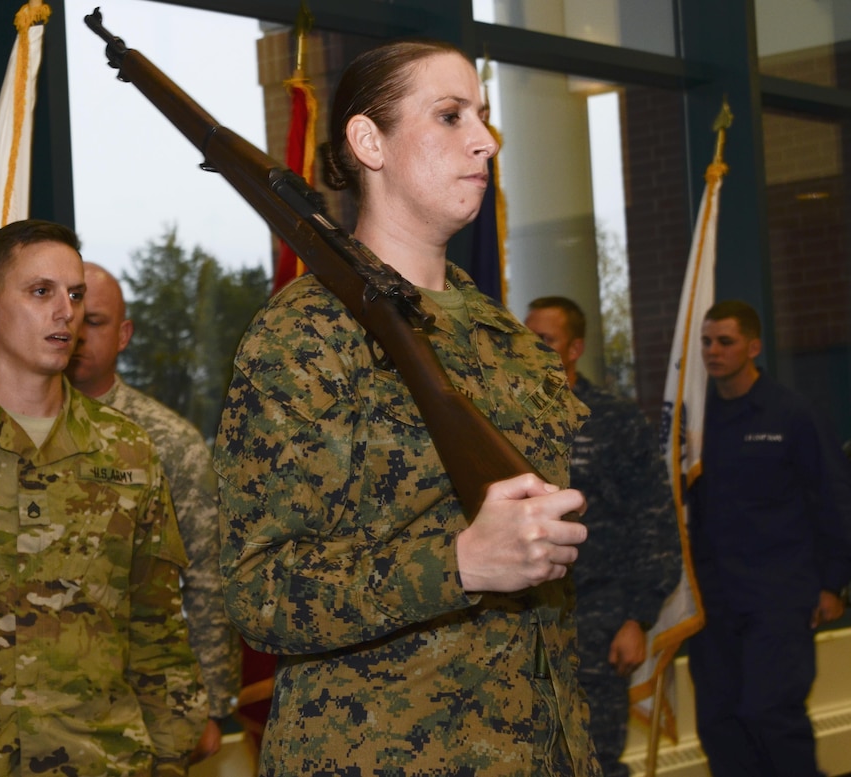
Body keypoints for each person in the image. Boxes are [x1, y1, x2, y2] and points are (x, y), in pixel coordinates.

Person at [215, 40, 599, 776]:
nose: (486, 140)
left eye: (483, 117)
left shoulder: (505, 337)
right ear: (369, 142)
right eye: (450, 115)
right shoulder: (306, 335)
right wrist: (459, 562)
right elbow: (261, 592)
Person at [0, 219, 207, 776]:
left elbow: (157, 628)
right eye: (42, 292)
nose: (67, 311)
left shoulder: (127, 449)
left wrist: (172, 757)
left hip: (103, 759)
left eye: (76, 294)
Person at [65, 260, 242, 764]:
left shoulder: (167, 441)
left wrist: (210, 706)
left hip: (143, 707)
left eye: (94, 321)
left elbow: (207, 577)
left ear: (123, 335)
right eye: (72, 315)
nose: (76, 331)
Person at [688, 299, 851, 776]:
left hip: (778, 596)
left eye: (725, 341)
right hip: (713, 601)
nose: (712, 351)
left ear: (753, 347)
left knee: (771, 717)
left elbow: (834, 500)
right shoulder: (693, 424)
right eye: (705, 342)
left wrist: (833, 583)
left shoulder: (791, 415)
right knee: (720, 724)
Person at [525, 296, 681, 777]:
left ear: (574, 349)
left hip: (597, 616)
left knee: (595, 759)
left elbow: (651, 520)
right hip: (525, 622)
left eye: (544, 340)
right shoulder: (507, 420)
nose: (531, 347)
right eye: (525, 337)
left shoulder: (613, 419)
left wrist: (637, 617)